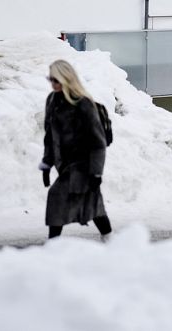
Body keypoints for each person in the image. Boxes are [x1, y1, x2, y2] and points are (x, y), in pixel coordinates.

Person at [39, 59, 112, 240]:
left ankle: (53, 245)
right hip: (65, 165)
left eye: (56, 80)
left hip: (83, 165)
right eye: (51, 79)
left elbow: (98, 142)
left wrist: (96, 173)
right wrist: (47, 163)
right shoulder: (52, 101)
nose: (53, 83)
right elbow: (50, 136)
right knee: (92, 205)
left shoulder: (83, 103)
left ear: (66, 78)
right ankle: (109, 239)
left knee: (56, 198)